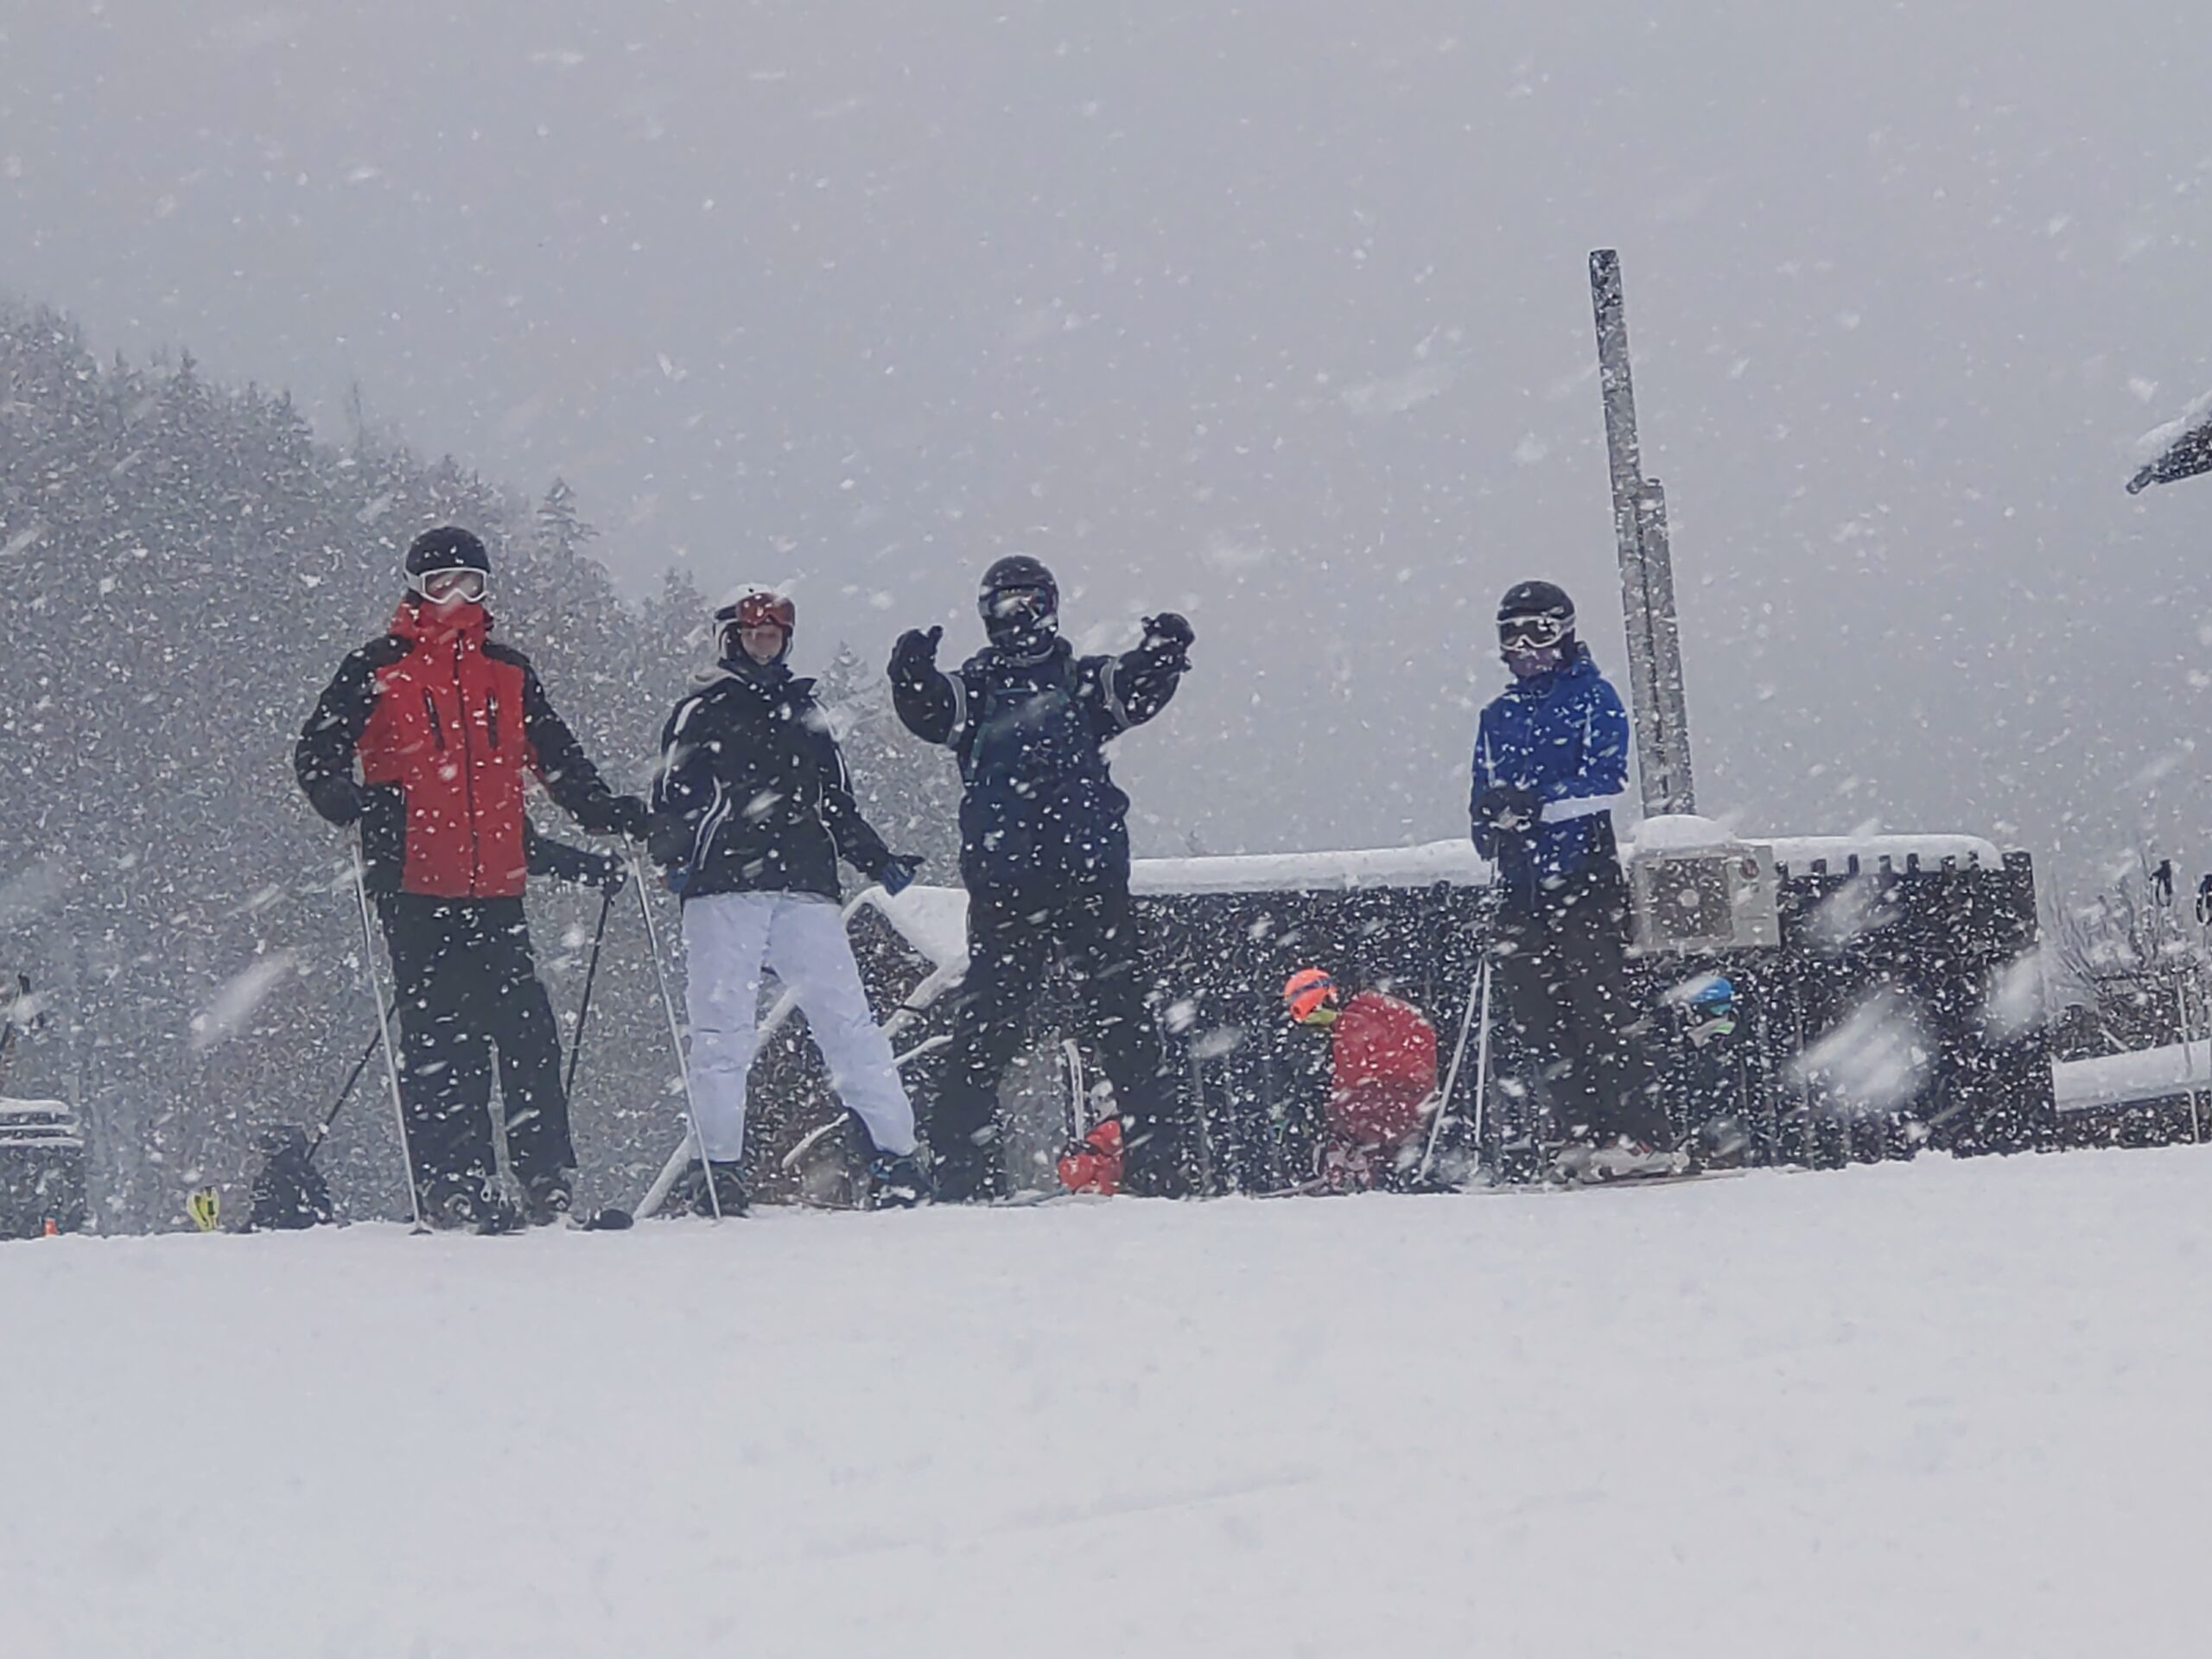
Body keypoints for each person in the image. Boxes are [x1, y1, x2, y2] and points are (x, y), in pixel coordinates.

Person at [295, 525, 648, 1230]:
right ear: (415, 590)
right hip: (414, 884)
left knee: (526, 1033)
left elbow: (558, 759)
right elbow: (317, 748)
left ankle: (544, 1175)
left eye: (471, 584)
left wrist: (604, 811)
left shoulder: (508, 672)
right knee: (442, 1040)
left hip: (495, 888)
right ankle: (453, 1183)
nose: (456, 597)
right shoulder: (379, 667)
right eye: (441, 584)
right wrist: (343, 799)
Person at [888, 555, 1194, 1202]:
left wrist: (1162, 654)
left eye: (1030, 602)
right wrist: (910, 675)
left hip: (1089, 879)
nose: (1020, 616)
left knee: (1125, 1027)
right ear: (987, 613)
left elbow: (1132, 693)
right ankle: (964, 1176)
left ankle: (1159, 1170)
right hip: (1008, 886)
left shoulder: (1081, 681)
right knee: (987, 1031)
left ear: (1051, 605)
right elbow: (930, 712)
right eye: (1007, 604)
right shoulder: (975, 687)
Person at [648, 588, 930, 1217]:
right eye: (753, 633)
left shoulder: (805, 709)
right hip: (725, 884)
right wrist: (674, 856)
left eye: (774, 634)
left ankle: (898, 1158)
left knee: (848, 1022)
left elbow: (836, 802)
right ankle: (715, 1169)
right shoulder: (703, 708)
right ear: (730, 638)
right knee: (724, 1031)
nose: (764, 642)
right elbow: (673, 794)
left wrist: (875, 860)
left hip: (805, 881)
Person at [1467, 579, 1680, 1181]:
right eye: (1512, 635)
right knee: (1539, 1015)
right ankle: (1577, 1131)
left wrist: (1538, 805)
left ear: (1565, 632)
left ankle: (1642, 1135)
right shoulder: (1498, 715)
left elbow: (1607, 782)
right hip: (1519, 883)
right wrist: (1492, 827)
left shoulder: (1593, 698)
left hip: (1582, 876)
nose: (1526, 646)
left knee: (1601, 1008)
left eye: (1539, 631)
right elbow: (1481, 791)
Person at [1281, 967, 1439, 1190]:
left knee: (1345, 1124)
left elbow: (1353, 1074)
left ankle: (1352, 1175)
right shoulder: (1371, 1012)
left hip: (1383, 1097)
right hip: (1407, 1095)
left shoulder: (1355, 1024)